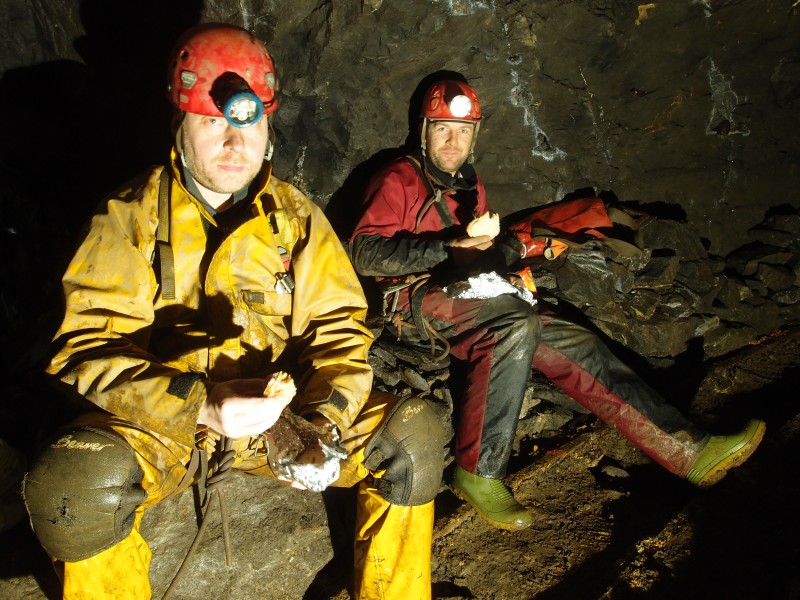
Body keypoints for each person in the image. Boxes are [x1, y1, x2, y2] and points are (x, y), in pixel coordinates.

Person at [23, 24, 449, 600]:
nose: (233, 143)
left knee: (411, 435)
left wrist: (319, 423)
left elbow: (340, 331)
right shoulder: (129, 217)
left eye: (249, 124)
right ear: (179, 126)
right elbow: (87, 346)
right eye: (212, 122)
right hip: (164, 430)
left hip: (281, 421)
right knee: (75, 483)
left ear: (268, 128)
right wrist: (199, 406)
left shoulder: (294, 218)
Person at [349, 78, 766, 531]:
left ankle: (688, 452)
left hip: (470, 291)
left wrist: (507, 256)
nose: (453, 141)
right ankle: (479, 472)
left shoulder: (470, 187)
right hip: (413, 302)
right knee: (516, 324)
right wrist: (449, 248)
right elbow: (365, 253)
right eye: (443, 129)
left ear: (475, 135)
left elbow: (479, 253)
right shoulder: (397, 177)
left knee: (573, 340)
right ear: (424, 129)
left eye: (463, 131)